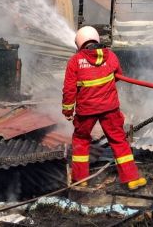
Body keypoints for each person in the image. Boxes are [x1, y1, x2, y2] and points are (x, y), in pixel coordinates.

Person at [62, 26, 146, 190]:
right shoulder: (111, 56)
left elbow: (69, 89)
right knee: (119, 140)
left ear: (79, 43)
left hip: (86, 110)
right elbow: (118, 75)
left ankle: (80, 179)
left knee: (81, 140)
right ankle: (131, 178)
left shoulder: (75, 61)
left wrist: (67, 110)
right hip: (110, 108)